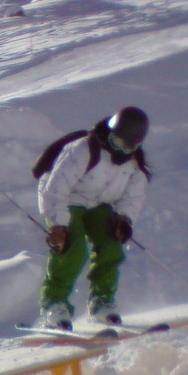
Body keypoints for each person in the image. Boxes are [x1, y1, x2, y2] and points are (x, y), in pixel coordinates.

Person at [36, 106, 151, 330]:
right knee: (73, 248)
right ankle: (53, 303)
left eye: (128, 146)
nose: (121, 150)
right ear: (110, 133)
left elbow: (133, 196)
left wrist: (124, 219)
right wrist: (59, 225)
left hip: (99, 205)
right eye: (117, 142)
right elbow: (55, 188)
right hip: (66, 200)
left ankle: (101, 301)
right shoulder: (83, 150)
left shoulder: (134, 163)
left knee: (110, 245)